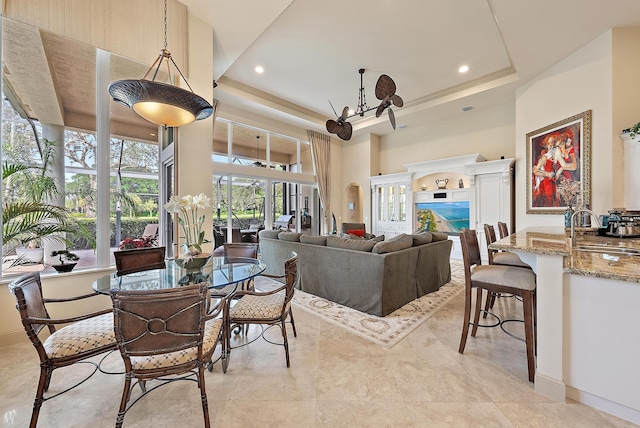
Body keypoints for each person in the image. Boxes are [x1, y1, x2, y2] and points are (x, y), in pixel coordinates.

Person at [532, 135, 558, 207]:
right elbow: (535, 170)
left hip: (557, 182)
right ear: (546, 144)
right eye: (549, 143)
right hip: (547, 183)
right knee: (549, 201)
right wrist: (547, 174)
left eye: (553, 142)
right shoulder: (545, 157)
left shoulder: (558, 155)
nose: (551, 144)